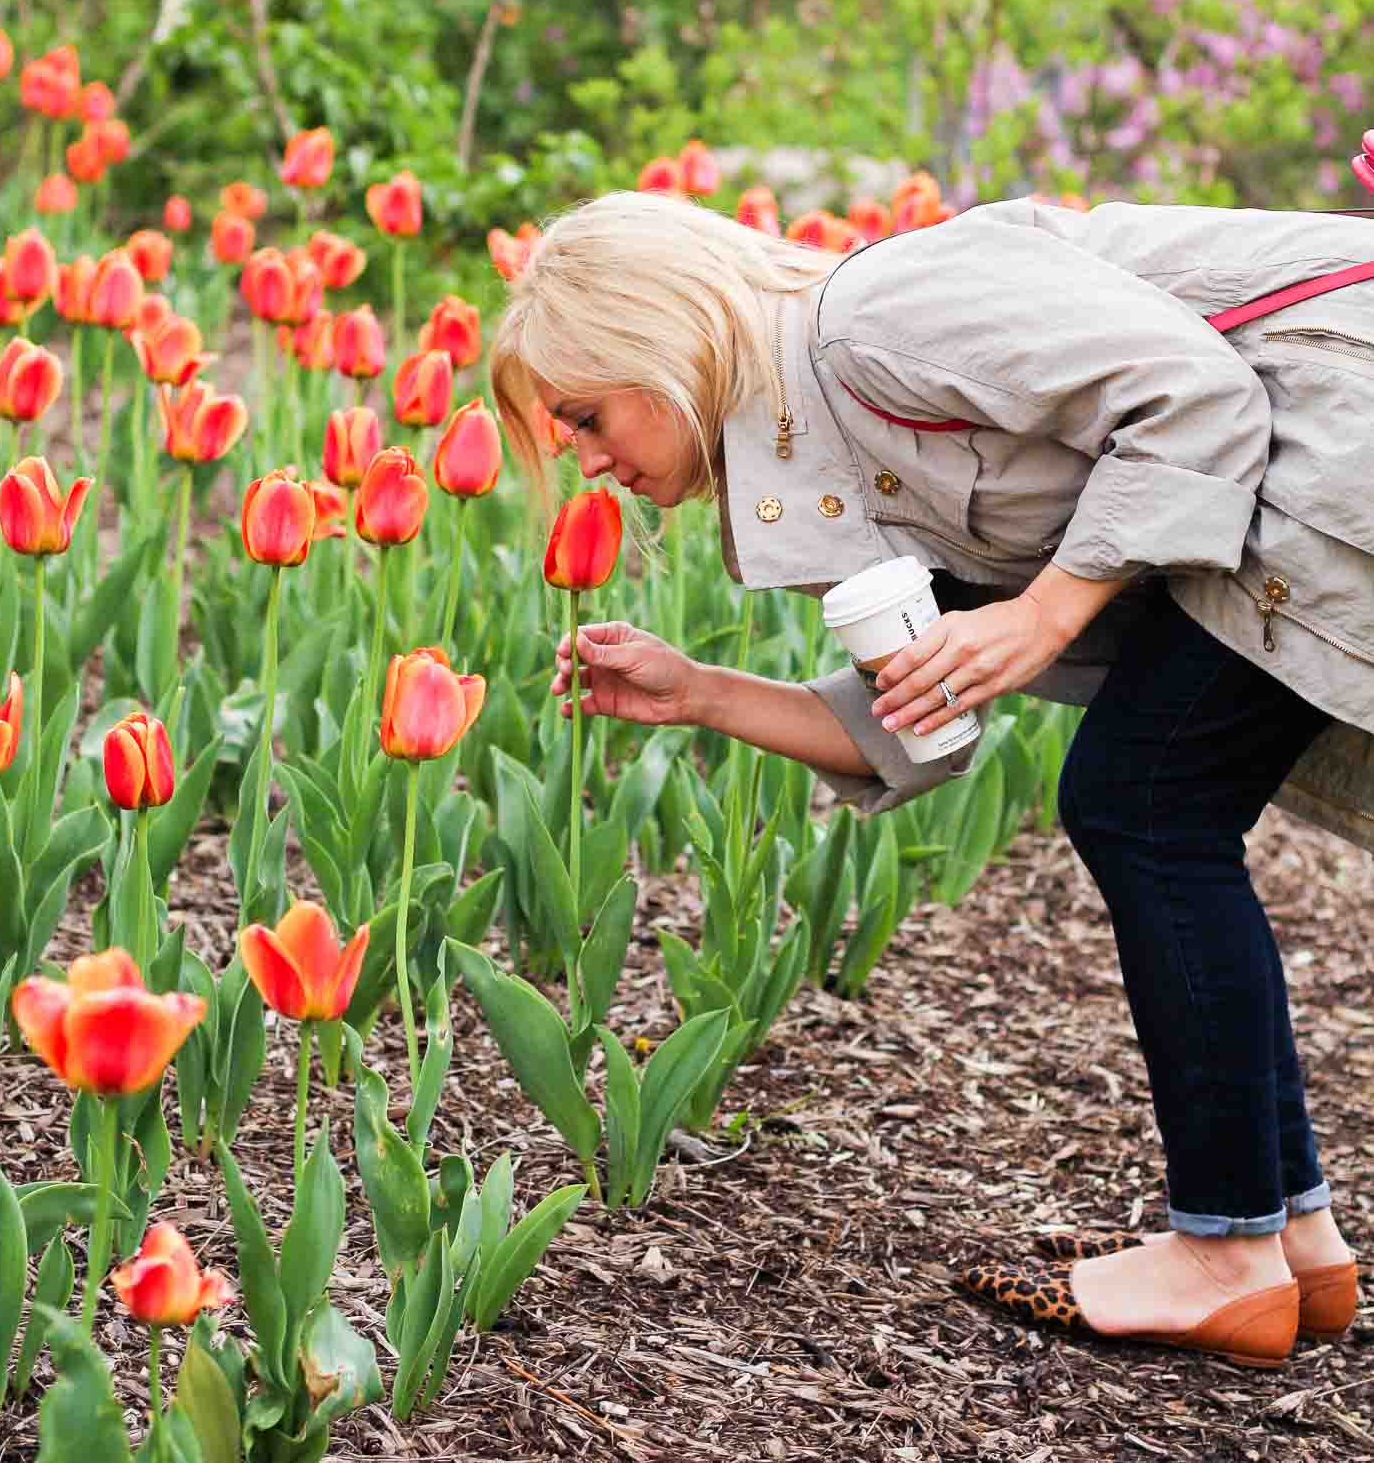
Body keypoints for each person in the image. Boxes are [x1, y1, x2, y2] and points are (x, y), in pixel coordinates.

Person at [491, 183, 1374, 1370]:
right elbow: (920, 727)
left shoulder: (879, 314)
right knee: (1158, 804)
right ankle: (1289, 1243)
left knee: (1145, 804)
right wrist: (699, 692)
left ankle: (1226, 1254)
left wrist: (1045, 612)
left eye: (587, 418)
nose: (590, 463)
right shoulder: (811, 467)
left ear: (657, 341)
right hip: (1294, 473)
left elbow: (1197, 398)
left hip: (1333, 428)